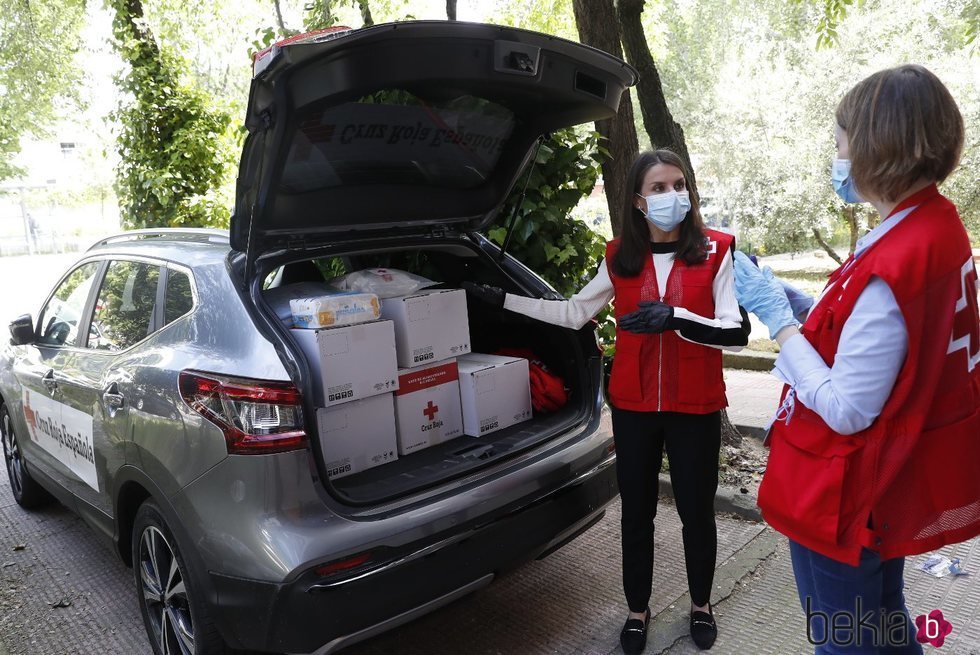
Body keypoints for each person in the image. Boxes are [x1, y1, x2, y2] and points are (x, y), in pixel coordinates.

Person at [733, 64, 980, 654]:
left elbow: (846, 406)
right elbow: (886, 333)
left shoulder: (898, 256)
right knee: (881, 622)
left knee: (848, 638)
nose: (836, 154)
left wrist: (781, 322)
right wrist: (811, 307)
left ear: (876, 146)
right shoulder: (932, 223)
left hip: (847, 489)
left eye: (840, 140)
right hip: (885, 474)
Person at [465, 149, 750, 653]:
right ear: (639, 201)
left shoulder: (716, 250)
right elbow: (575, 312)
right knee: (636, 513)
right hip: (635, 406)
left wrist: (676, 318)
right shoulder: (619, 255)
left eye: (679, 185)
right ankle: (636, 612)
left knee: (696, 512)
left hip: (696, 406)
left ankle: (701, 605)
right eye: (659, 189)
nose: (672, 196)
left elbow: (734, 330)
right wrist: (502, 299)